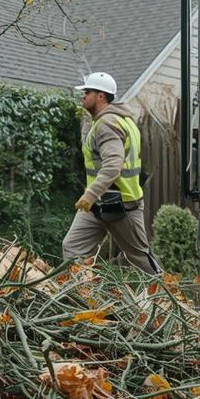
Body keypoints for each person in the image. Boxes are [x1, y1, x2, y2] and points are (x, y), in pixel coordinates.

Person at [62, 71, 159, 274]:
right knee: (73, 249)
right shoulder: (110, 121)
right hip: (98, 205)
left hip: (123, 205)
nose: (83, 95)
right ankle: (81, 296)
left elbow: (113, 165)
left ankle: (164, 298)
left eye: (87, 91)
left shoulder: (108, 124)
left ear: (101, 96)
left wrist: (90, 194)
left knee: (139, 259)